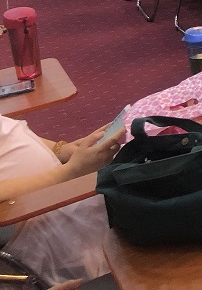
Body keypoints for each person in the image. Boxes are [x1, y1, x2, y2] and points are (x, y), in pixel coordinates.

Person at [0, 113, 123, 285]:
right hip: (36, 232)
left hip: (60, 199)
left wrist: (62, 150)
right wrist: (69, 171)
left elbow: (12, 134)